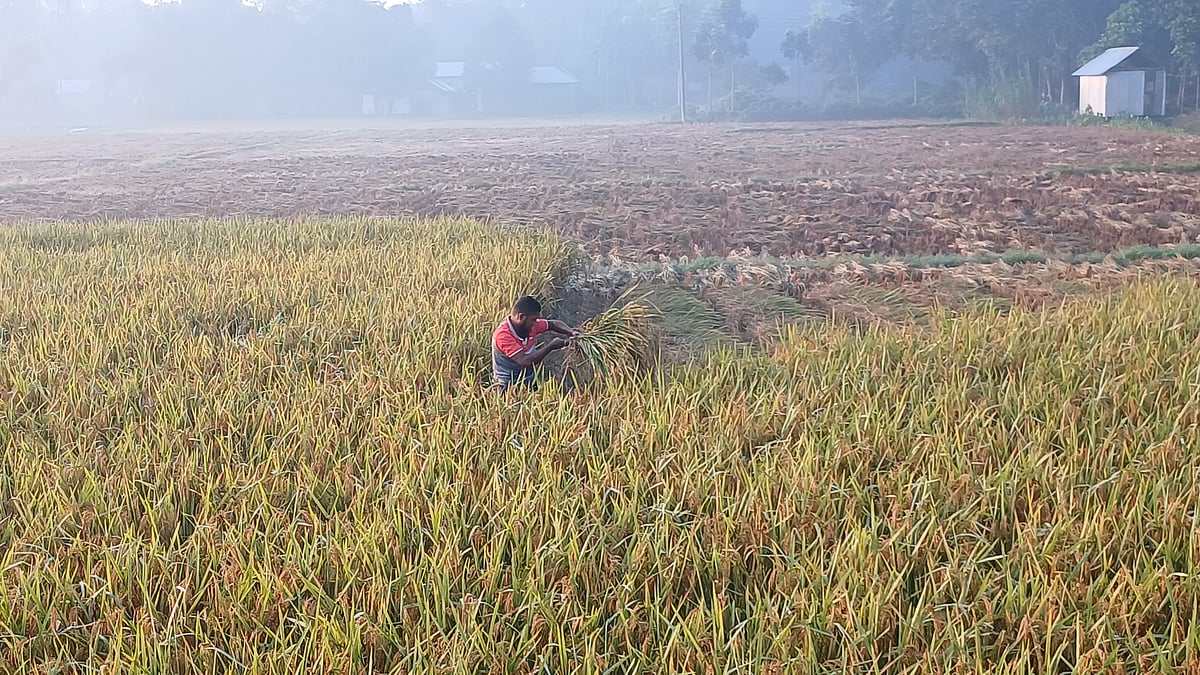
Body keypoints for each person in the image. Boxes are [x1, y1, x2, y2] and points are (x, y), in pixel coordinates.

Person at [492, 296, 580, 392]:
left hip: (528, 378)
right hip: (507, 385)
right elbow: (525, 361)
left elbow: (552, 324)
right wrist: (551, 346)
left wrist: (571, 331)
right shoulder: (503, 335)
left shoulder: (529, 325)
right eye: (534, 319)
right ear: (521, 317)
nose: (536, 323)